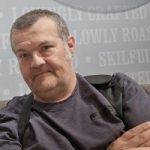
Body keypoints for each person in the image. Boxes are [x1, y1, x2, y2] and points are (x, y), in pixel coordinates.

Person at [0, 9, 150, 150]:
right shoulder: (12, 119)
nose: (36, 62)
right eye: (24, 55)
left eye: (45, 47)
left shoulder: (118, 91)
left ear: (69, 45)